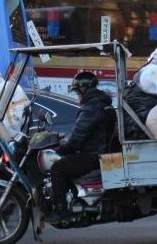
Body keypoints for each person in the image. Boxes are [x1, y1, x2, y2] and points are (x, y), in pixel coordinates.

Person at [44, 72, 115, 223]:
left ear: (84, 89)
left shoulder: (91, 108)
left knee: (58, 168)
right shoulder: (100, 103)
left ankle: (61, 209)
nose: (77, 95)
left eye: (77, 91)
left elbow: (76, 140)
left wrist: (58, 149)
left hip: (94, 155)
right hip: (99, 152)